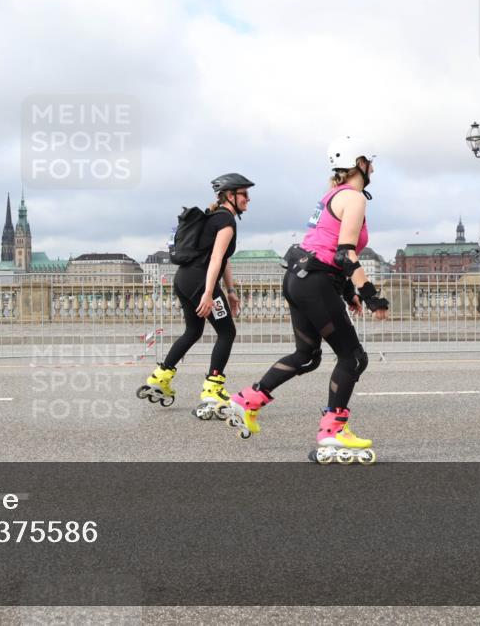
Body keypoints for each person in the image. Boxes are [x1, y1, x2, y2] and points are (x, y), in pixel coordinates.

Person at [218, 137, 388, 464]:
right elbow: (344, 253)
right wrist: (371, 297)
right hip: (314, 282)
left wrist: (347, 292)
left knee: (307, 355)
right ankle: (333, 433)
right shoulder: (352, 198)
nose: (374, 168)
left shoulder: (331, 195)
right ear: (361, 163)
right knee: (353, 357)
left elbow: (324, 249)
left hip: (299, 278)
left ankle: (247, 400)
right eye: (372, 162)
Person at [136, 173, 253, 419]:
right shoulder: (225, 221)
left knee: (193, 331)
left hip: (184, 279)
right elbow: (215, 259)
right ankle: (213, 388)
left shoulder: (214, 218)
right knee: (227, 332)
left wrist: (230, 291)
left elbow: (224, 260)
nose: (248, 199)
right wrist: (209, 293)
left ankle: (160, 378)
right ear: (230, 196)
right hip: (200, 282)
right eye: (244, 194)